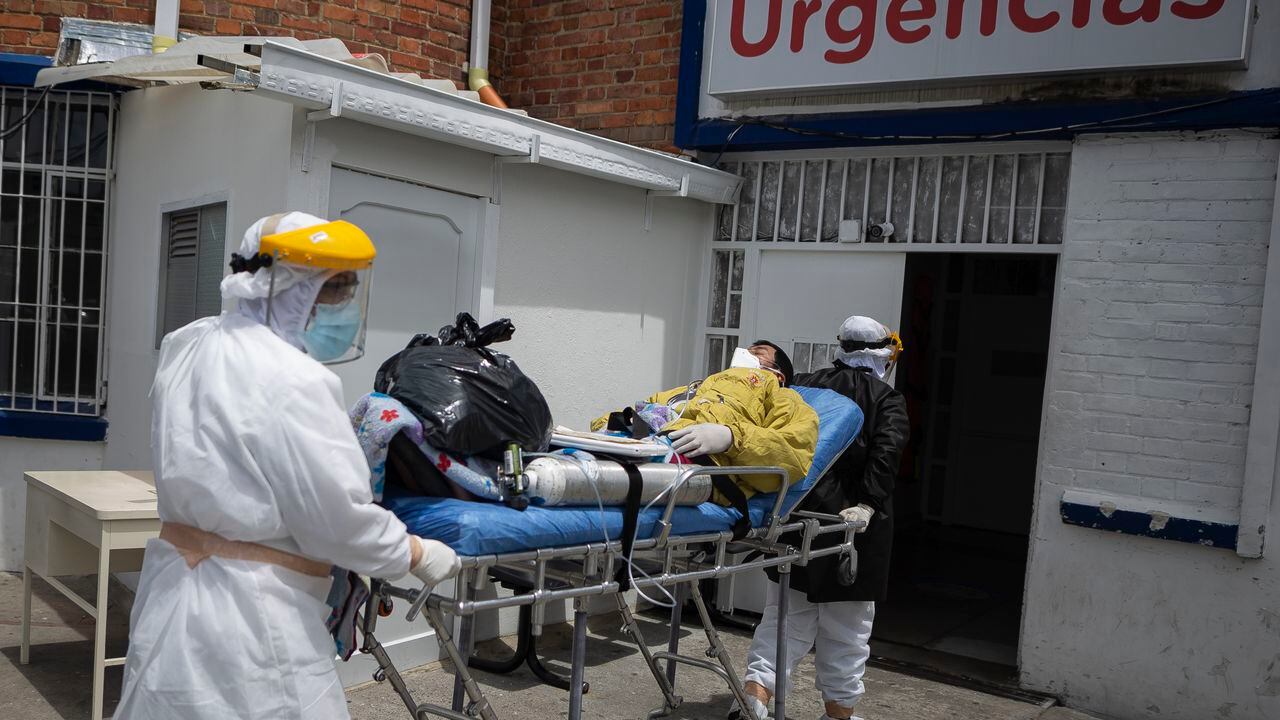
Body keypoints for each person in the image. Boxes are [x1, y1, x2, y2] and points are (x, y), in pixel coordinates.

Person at [117, 212, 462, 720]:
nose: (344, 307)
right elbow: (333, 521)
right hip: (254, 617)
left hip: (174, 595)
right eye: (334, 290)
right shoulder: (293, 378)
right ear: (288, 287)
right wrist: (411, 552)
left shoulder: (187, 345)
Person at [731, 317, 909, 720]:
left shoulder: (806, 384)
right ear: (884, 355)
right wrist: (867, 503)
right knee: (846, 631)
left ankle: (754, 702)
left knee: (783, 619)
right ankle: (839, 715)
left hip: (796, 514)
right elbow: (886, 455)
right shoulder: (886, 399)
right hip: (853, 527)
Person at [591, 341, 818, 504]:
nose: (746, 352)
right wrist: (607, 426)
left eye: (757, 352)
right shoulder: (695, 388)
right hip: (641, 441)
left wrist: (730, 438)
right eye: (747, 350)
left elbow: (793, 454)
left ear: (779, 374)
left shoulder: (783, 397)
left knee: (591, 476)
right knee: (578, 453)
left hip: (696, 463)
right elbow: (642, 409)